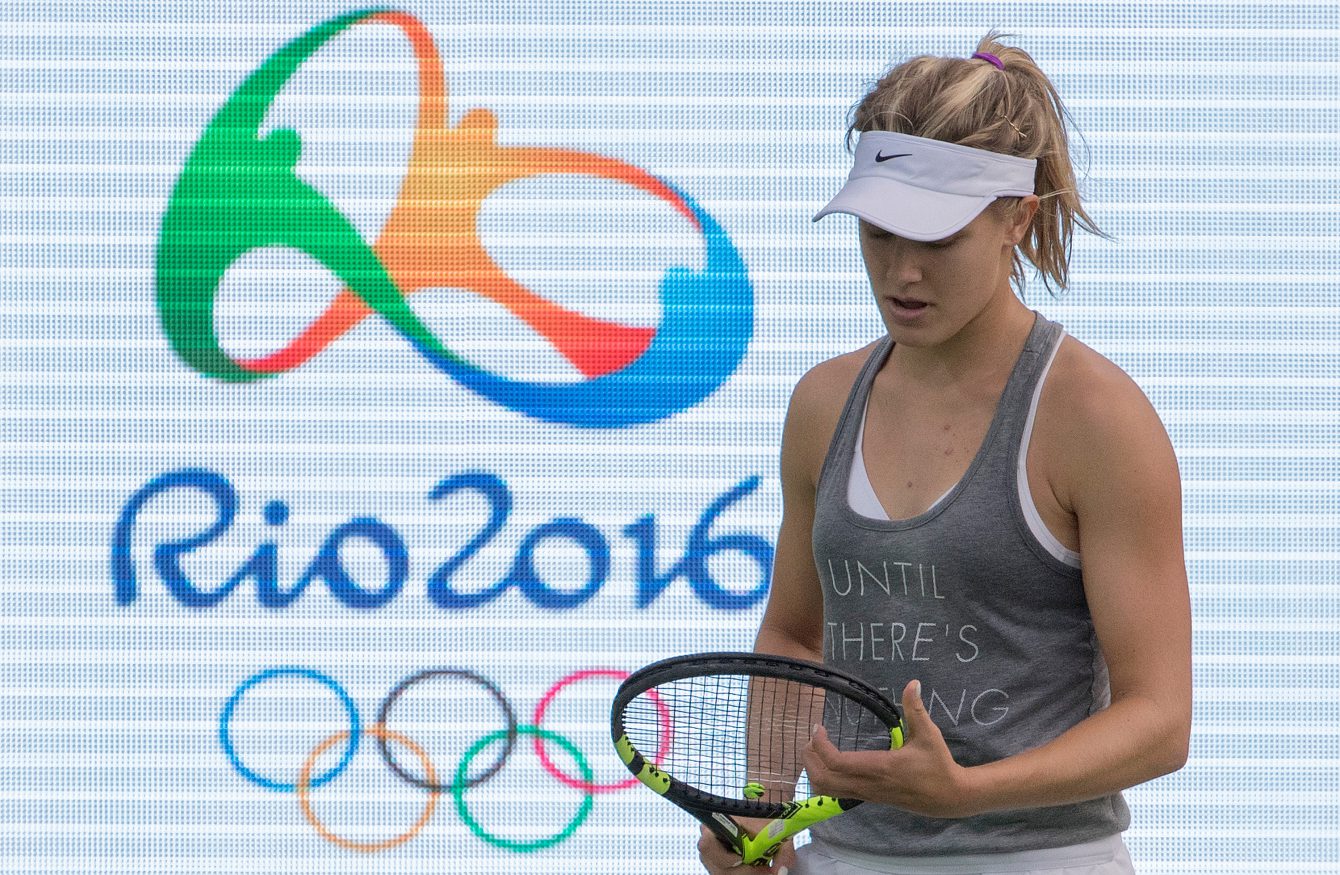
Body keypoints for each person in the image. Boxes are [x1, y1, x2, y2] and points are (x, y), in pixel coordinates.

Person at [698, 34, 1192, 875]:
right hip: (840, 857)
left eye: (937, 237)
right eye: (880, 231)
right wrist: (761, 804)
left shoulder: (1098, 417)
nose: (901, 269)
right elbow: (791, 631)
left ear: (1016, 220)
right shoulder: (822, 403)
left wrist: (967, 790)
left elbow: (1160, 720)